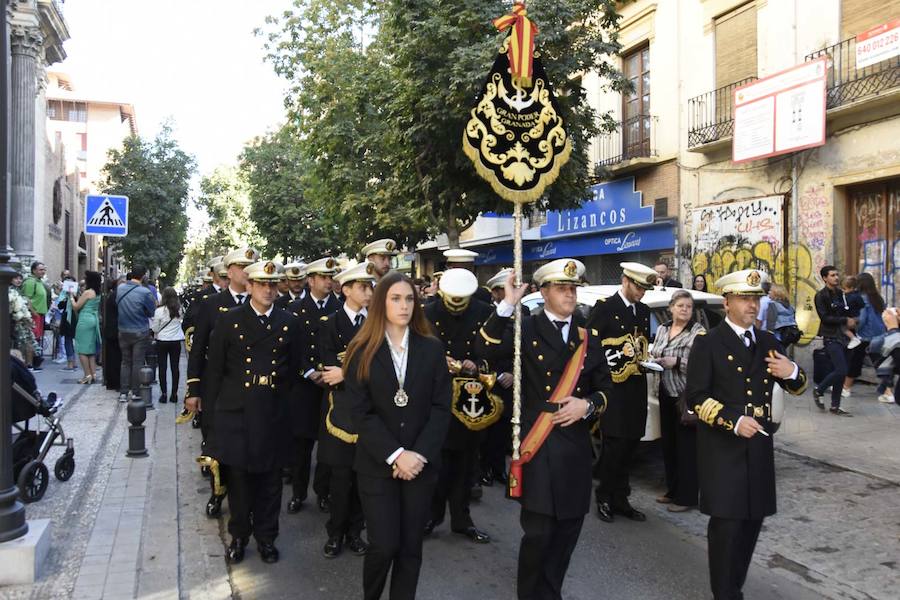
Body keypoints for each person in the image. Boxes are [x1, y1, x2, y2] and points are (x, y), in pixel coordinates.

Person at [475, 259, 612, 600]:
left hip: (575, 450)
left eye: (574, 288)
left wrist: (588, 405)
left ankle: (551, 594)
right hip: (538, 446)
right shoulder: (526, 329)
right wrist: (507, 304)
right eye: (563, 288)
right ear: (544, 291)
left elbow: (606, 388)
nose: (570, 294)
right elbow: (485, 349)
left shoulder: (587, 336)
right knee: (538, 535)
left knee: (567, 533)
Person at [684, 269, 807, 600]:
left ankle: (734, 588)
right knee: (726, 529)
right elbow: (695, 398)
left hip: (758, 450)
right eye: (745, 298)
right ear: (727, 302)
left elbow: (797, 385)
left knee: (751, 524)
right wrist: (733, 421)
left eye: (755, 298)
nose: (752, 305)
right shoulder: (708, 343)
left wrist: (792, 370)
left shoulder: (767, 341)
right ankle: (725, 594)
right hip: (723, 451)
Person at [343, 270, 451, 600]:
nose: (404, 305)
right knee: (384, 544)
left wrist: (417, 455)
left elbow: (441, 407)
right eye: (395, 298)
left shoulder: (431, 349)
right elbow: (360, 413)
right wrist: (396, 454)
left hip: (420, 465)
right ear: (381, 304)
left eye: (408, 298)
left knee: (410, 547)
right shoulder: (362, 350)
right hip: (378, 467)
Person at [204, 260, 299, 565]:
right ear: (249, 286)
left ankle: (267, 539)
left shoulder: (289, 322)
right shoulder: (230, 321)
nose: (268, 290)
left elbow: (293, 374)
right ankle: (239, 536)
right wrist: (211, 424)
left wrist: (288, 418)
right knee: (240, 483)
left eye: (273, 284)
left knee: (271, 485)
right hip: (237, 413)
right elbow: (215, 371)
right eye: (261, 284)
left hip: (272, 413)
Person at [186, 247, 259, 517]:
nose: (248, 272)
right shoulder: (212, 305)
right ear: (229, 272)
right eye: (242, 267)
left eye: (251, 266)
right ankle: (219, 493)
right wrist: (194, 389)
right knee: (218, 447)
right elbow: (198, 348)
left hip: (250, 390)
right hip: (216, 389)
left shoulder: (262, 303)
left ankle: (247, 501)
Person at [423, 268, 494, 544]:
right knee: (437, 464)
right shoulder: (427, 312)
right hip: (438, 396)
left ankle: (462, 520)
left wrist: (477, 364)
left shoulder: (484, 310)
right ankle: (432, 516)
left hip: (471, 396)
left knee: (466, 464)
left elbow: (493, 349)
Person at [588, 262, 656, 523]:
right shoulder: (605, 308)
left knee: (631, 445)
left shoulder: (643, 310)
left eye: (645, 289)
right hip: (613, 389)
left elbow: (643, 347)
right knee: (614, 446)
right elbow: (593, 349)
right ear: (625, 281)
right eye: (638, 287)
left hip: (636, 386)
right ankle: (604, 496)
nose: (641, 293)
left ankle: (621, 498)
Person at [317, 262, 375, 559]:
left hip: (369, 412)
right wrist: (355, 373)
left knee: (363, 479)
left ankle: (355, 532)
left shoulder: (378, 323)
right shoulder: (330, 323)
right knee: (340, 480)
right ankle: (335, 533)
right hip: (338, 414)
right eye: (362, 287)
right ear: (346, 289)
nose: (368, 292)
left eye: (369, 287)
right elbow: (328, 370)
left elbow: (382, 368)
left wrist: (347, 372)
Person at [286, 257, 342, 514]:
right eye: (323, 277)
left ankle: (323, 491)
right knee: (300, 445)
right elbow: (290, 349)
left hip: (334, 386)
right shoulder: (294, 309)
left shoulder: (341, 308)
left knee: (329, 445)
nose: (329, 282)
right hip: (304, 386)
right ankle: (298, 493)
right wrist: (308, 372)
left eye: (331, 277)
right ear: (311, 280)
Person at [651, 289, 705, 512]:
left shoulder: (698, 331)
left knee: (687, 450)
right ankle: (672, 490)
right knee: (669, 446)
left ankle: (687, 497)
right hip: (664, 392)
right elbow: (655, 351)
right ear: (671, 308)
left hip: (685, 396)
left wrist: (678, 361)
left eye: (689, 307)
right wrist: (653, 359)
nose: (685, 310)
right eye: (681, 305)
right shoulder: (663, 328)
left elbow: (702, 363)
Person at [813, 266, 854, 416]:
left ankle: (835, 406)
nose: (836, 278)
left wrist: (851, 320)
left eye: (837, 275)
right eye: (832, 275)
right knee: (841, 369)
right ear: (825, 278)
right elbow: (825, 318)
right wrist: (845, 319)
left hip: (843, 337)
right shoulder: (821, 296)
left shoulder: (840, 294)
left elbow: (846, 311)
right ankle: (819, 390)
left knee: (840, 372)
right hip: (830, 336)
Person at [116, 266, 157, 402]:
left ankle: (123, 392)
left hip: (123, 330)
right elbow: (151, 312)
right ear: (144, 276)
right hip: (140, 330)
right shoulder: (144, 292)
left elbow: (117, 305)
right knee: (137, 362)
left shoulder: (120, 289)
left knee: (125, 362)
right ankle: (135, 392)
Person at [850, 273, 889, 401]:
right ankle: (888, 391)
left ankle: (845, 387)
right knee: (880, 364)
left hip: (865, 336)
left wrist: (855, 330)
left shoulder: (863, 298)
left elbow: (862, 319)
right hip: (880, 335)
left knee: (854, 362)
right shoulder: (878, 298)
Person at [152, 287, 185, 404]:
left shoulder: (159, 311)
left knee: (162, 367)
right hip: (176, 341)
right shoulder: (179, 310)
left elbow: (155, 328)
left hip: (162, 341)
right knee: (175, 367)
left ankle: (164, 393)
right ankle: (174, 394)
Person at [73, 270, 102, 384]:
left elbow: (76, 306)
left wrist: (71, 297)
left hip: (85, 319)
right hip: (93, 319)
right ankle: (93, 373)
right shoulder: (97, 292)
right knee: (90, 349)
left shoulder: (88, 292)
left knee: (82, 349)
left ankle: (87, 375)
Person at [21, 261, 49, 370]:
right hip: (34, 315)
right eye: (40, 269)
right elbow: (27, 298)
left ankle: (34, 361)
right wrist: (34, 312)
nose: (43, 271)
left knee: (36, 339)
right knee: (32, 338)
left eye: (44, 269)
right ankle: (29, 363)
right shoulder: (30, 282)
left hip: (40, 314)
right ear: (34, 270)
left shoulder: (39, 282)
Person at [102, 277, 124, 392]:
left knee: (113, 357)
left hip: (112, 330)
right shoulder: (117, 295)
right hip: (114, 331)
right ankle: (115, 382)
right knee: (115, 358)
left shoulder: (114, 295)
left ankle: (112, 382)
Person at [56, 276, 78, 371]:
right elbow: (60, 306)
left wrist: (72, 296)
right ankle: (72, 362)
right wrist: (66, 297)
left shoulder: (77, 293)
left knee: (70, 341)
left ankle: (71, 364)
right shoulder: (63, 294)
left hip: (74, 318)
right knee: (67, 340)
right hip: (66, 318)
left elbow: (77, 305)